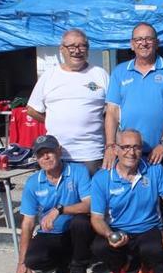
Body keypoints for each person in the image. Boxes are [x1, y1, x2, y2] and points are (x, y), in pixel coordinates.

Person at [90, 129, 163, 273]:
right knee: (99, 247)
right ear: (116, 149)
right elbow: (96, 218)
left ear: (141, 149)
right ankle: (119, 269)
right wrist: (110, 234)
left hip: (148, 228)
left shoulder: (154, 170)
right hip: (118, 229)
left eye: (136, 147)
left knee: (154, 249)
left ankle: (146, 267)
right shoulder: (102, 177)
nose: (131, 152)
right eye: (125, 147)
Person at [104, 22, 163, 186]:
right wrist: (110, 146)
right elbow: (112, 112)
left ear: (157, 42)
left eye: (148, 38)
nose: (144, 43)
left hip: (161, 151)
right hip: (128, 151)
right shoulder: (120, 71)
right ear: (132, 44)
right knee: (132, 200)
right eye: (139, 39)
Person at [13, 135, 94, 273]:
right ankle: (66, 260)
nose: (46, 157)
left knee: (81, 222)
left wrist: (60, 210)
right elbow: (28, 223)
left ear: (59, 151)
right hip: (51, 232)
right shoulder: (32, 182)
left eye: (49, 151)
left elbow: (90, 205)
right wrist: (21, 262)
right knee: (33, 260)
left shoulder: (78, 171)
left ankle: (79, 268)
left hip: (75, 230)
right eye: (40, 154)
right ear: (36, 158)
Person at [27, 28, 109, 175]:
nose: (77, 51)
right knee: (60, 197)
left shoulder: (100, 74)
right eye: (71, 46)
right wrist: (51, 120)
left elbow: (113, 110)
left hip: (92, 154)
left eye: (82, 46)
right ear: (61, 49)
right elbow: (32, 109)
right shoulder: (50, 75)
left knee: (92, 197)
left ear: (88, 49)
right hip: (57, 154)